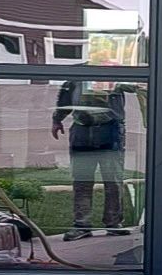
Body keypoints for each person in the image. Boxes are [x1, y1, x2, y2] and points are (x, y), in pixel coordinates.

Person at [51, 79, 131, 240]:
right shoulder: (77, 75)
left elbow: (137, 86)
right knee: (82, 181)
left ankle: (114, 223)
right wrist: (57, 120)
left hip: (111, 130)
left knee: (113, 180)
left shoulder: (117, 71)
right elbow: (64, 98)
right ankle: (82, 225)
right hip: (82, 131)